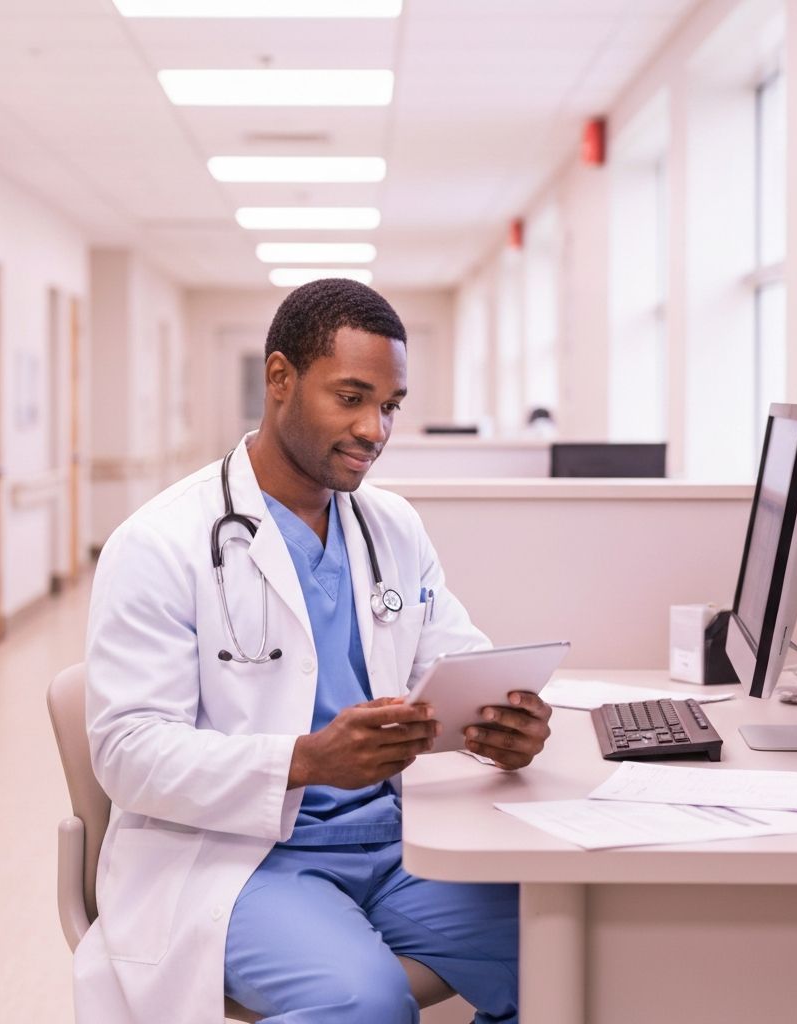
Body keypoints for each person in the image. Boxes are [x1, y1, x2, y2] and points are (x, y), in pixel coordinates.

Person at [79, 278, 553, 1023]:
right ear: (280, 378)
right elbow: (127, 751)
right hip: (243, 860)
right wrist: (305, 761)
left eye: (390, 406)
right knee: (364, 1002)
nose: (375, 429)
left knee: (564, 942)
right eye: (351, 397)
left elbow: (456, 663)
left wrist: (504, 724)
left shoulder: (392, 527)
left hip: (397, 845)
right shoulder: (159, 542)